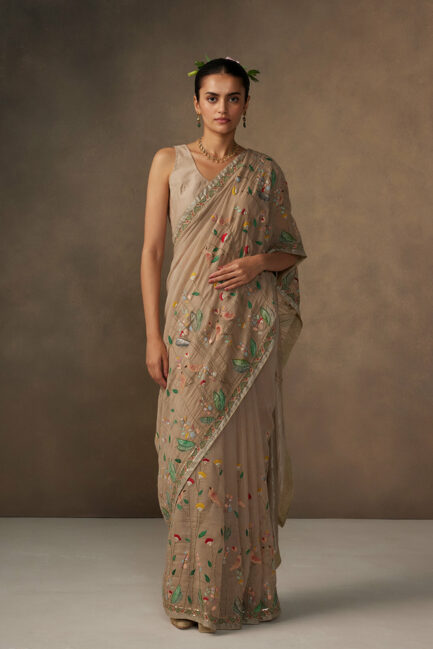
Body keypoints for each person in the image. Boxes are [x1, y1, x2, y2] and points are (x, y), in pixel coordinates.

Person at [140, 56, 307, 633]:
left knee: (237, 462)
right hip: (186, 332)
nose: (222, 108)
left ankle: (240, 596)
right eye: (212, 97)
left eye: (234, 98)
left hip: (244, 337)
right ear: (196, 103)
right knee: (190, 457)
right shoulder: (168, 162)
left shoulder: (264, 172)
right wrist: (153, 336)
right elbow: (152, 254)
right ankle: (190, 594)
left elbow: (290, 250)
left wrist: (257, 262)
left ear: (246, 105)